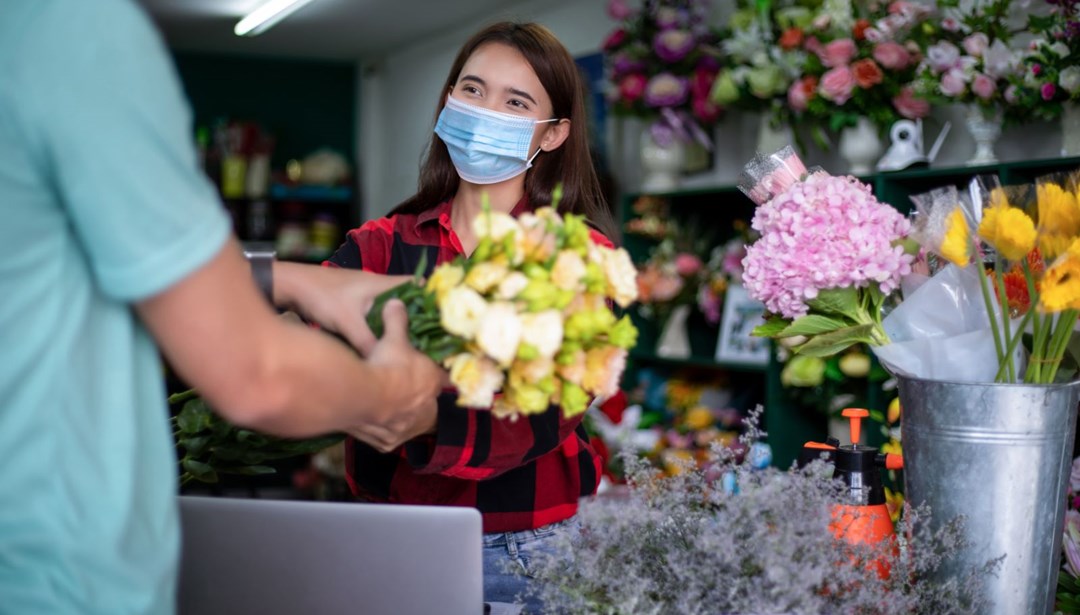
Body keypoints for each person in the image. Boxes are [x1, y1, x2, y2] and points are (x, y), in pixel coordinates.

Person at [0, 0, 445, 612]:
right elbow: (256, 372)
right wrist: (391, 391)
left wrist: (287, 279)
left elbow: (81, 267)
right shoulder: (69, 31)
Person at [325, 21, 618, 612]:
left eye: (516, 101)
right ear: (448, 102)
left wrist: (426, 420)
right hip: (392, 536)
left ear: (555, 133)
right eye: (473, 90)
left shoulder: (580, 261)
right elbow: (295, 351)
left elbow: (543, 412)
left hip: (529, 552)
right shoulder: (378, 247)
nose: (485, 111)